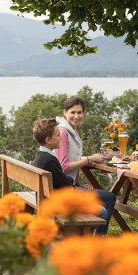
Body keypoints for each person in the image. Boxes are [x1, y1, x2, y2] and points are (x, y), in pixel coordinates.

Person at [53, 96, 116, 234]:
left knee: (109, 197)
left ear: (84, 114)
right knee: (106, 204)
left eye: (79, 112)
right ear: (65, 113)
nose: (76, 116)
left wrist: (78, 182)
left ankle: (98, 240)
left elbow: (66, 162)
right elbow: (63, 166)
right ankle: (88, 239)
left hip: (70, 186)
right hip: (64, 192)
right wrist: (88, 159)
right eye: (72, 112)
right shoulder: (63, 132)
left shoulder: (70, 130)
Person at [31, 118, 75, 189]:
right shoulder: (50, 160)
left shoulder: (39, 157)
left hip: (44, 195)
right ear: (48, 140)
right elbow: (65, 184)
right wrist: (71, 179)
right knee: (98, 195)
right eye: (58, 135)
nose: (61, 138)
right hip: (56, 198)